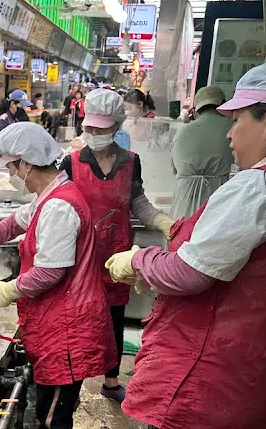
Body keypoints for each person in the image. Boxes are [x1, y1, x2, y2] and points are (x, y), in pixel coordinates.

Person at [105, 63, 266, 429]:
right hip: (253, 374)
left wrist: (138, 260)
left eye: (237, 119)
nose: (229, 135)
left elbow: (188, 275)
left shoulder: (258, 186)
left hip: (205, 379)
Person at [0, 122, 116, 429]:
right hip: (57, 323)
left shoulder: (59, 207)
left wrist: (6, 290)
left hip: (68, 330)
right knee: (50, 407)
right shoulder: (50, 194)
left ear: (27, 163)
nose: (12, 174)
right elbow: (16, 221)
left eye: (13, 166)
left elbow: (50, 272)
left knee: (53, 417)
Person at [59, 88, 173, 404]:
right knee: (78, 319)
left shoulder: (130, 162)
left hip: (117, 256)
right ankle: (72, 383)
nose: (94, 132)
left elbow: (138, 201)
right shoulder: (71, 163)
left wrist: (164, 222)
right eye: (90, 126)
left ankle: (111, 382)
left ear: (116, 126)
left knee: (114, 320)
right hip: (80, 258)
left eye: (102, 127)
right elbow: (57, 205)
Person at [170, 85, 234, 220]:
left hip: (183, 201)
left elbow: (175, 170)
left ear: (195, 109)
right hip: (216, 197)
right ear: (223, 104)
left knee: (183, 238)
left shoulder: (181, 132)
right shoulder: (232, 127)